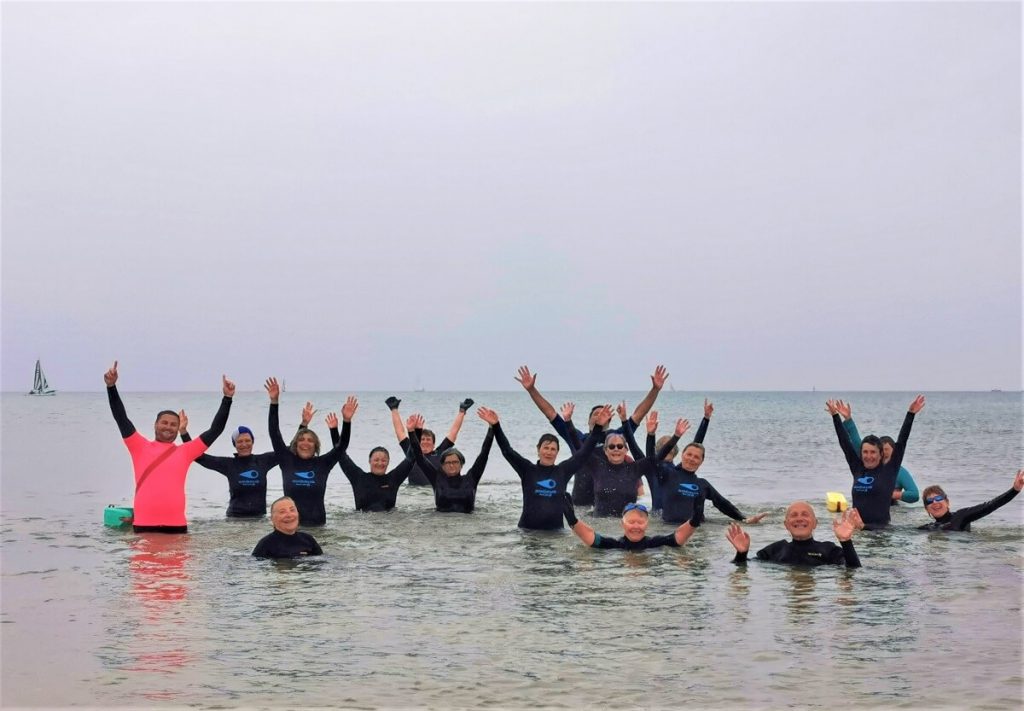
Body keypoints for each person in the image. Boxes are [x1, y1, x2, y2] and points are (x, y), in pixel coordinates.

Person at [104, 360, 233, 533]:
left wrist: (227, 398)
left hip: (176, 526)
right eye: (164, 422)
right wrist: (111, 387)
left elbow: (216, 430)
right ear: (155, 425)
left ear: (178, 428)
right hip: (144, 524)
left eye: (173, 424)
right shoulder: (139, 446)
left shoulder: (186, 451)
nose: (168, 427)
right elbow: (121, 418)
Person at [514, 365, 668, 505]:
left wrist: (655, 390)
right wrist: (531, 390)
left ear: (609, 419)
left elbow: (638, 415)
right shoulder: (578, 438)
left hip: (607, 505)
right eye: (596, 414)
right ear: (589, 420)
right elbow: (550, 414)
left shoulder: (615, 440)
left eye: (604, 414)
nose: (600, 416)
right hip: (580, 503)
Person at [477, 405, 609, 530]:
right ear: (538, 449)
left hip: (555, 533)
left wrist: (598, 428)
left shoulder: (563, 471)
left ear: (557, 452)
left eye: (553, 449)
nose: (549, 452)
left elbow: (583, 453)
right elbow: (507, 451)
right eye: (546, 447)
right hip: (527, 531)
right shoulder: (527, 469)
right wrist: (496, 425)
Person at [177, 403, 314, 518]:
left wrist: (304, 425)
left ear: (252, 442)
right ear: (235, 444)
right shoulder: (229, 464)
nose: (244, 444)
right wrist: (183, 432)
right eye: (240, 441)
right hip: (235, 520)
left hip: (259, 519)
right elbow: (199, 457)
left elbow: (289, 449)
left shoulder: (263, 461)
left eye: (247, 440)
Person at [639, 411, 767, 526]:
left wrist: (744, 519)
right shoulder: (667, 475)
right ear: (682, 455)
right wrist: (652, 434)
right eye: (689, 454)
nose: (691, 459)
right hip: (668, 529)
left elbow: (722, 504)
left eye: (696, 457)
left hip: (697, 532)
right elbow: (652, 461)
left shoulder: (702, 484)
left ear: (701, 461)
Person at [827, 395, 925, 529]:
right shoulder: (857, 469)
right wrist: (835, 417)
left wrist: (911, 414)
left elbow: (902, 441)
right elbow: (845, 443)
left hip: (881, 533)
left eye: (873, 452)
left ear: (880, 454)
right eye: (865, 452)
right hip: (858, 531)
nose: (869, 456)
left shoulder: (889, 471)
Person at [265, 378, 348, 527]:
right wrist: (274, 402)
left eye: (310, 440)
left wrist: (347, 421)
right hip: (291, 527)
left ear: (316, 446)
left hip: (319, 528)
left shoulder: (323, 464)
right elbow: (274, 433)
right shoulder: (287, 460)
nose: (305, 443)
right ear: (296, 445)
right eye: (302, 439)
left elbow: (341, 447)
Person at [585, 408, 686, 517]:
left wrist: (666, 436)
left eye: (620, 446)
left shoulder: (634, 469)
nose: (616, 449)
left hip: (628, 524)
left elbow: (653, 459)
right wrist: (598, 427)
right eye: (611, 446)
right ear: (605, 450)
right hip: (600, 524)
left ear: (626, 449)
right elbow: (582, 450)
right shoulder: (597, 467)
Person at [396, 410, 494, 513]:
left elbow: (484, 453)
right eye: (448, 462)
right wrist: (412, 432)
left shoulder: (471, 478)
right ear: (442, 465)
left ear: (461, 464)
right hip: (441, 524)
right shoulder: (436, 479)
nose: (451, 465)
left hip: (467, 525)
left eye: (455, 462)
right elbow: (420, 458)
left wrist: (492, 428)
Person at [332, 396, 416, 512]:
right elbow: (340, 455)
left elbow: (412, 457)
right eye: (376, 460)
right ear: (369, 461)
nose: (380, 463)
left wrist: (414, 432)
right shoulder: (358, 477)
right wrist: (339, 426)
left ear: (388, 463)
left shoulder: (393, 479)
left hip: (388, 524)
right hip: (363, 526)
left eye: (383, 460)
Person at [832, 400, 920, 504]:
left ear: (894, 452)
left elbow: (914, 495)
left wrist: (890, 494)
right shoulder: (866, 466)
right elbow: (855, 443)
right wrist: (847, 419)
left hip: (892, 509)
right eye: (881, 450)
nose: (884, 453)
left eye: (887, 450)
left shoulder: (898, 471)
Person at [726, 502, 862, 568]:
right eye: (794, 515)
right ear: (786, 524)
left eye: (805, 514)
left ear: (815, 523)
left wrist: (846, 541)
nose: (799, 519)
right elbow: (744, 567)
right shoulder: (775, 550)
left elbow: (853, 569)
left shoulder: (829, 550)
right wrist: (742, 554)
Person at [641, 399, 714, 510]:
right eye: (666, 449)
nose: (667, 452)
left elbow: (696, 445)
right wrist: (651, 434)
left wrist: (706, 419)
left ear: (675, 452)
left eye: (669, 449)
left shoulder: (674, 471)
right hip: (661, 517)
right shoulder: (656, 470)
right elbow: (650, 457)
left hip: (664, 517)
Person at [563, 495, 701, 550]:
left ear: (647, 524)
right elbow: (592, 538)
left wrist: (694, 521)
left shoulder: (654, 543)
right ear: (622, 524)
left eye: (640, 522)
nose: (636, 526)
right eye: (631, 522)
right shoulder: (616, 545)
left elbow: (677, 538)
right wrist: (572, 521)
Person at [391, 397, 474, 486]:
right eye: (422, 439)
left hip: (434, 493)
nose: (425, 442)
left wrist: (462, 411)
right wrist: (394, 409)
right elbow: (400, 432)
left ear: (433, 444)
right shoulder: (411, 451)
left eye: (428, 439)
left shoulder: (440, 453)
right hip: (413, 495)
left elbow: (453, 433)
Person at [918, 470, 1024, 531]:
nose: (935, 502)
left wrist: (1014, 490)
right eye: (930, 501)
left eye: (938, 498)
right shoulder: (928, 528)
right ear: (927, 509)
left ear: (947, 502)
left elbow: (990, 506)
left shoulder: (961, 516)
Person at [252, 496, 323, 558]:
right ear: (272, 519)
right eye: (282, 512)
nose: (289, 515)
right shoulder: (265, 544)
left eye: (292, 510)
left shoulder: (308, 540)